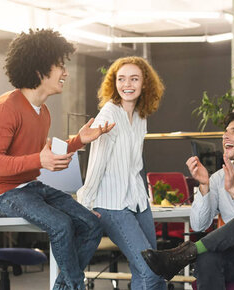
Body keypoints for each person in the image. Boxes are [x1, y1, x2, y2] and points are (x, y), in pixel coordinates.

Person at [0, 29, 114, 290]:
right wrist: (38, 161)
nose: (65, 73)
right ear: (40, 69)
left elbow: (43, 155)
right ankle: (75, 285)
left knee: (91, 224)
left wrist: (78, 141)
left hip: (29, 188)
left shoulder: (43, 112)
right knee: (62, 225)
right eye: (60, 66)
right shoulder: (5, 108)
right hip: (0, 194)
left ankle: (64, 287)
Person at [141, 112, 234, 290]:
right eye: (225, 132)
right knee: (207, 258)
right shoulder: (217, 177)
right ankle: (190, 252)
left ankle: (187, 252)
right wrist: (204, 185)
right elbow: (198, 225)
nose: (225, 136)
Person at [77, 56, 166, 290]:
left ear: (144, 83)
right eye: (122, 79)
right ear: (114, 83)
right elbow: (96, 163)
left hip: (138, 201)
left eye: (134, 79)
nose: (128, 84)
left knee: (151, 269)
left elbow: (134, 165)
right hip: (112, 204)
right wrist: (85, 203)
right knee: (150, 271)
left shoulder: (140, 115)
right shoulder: (109, 114)